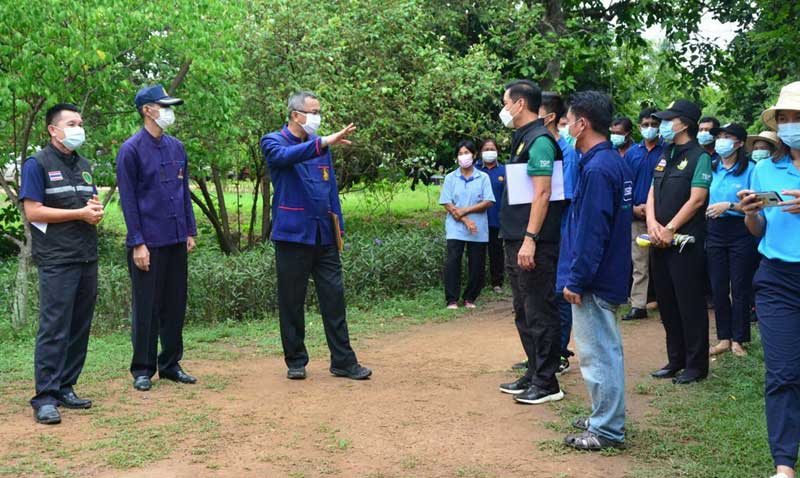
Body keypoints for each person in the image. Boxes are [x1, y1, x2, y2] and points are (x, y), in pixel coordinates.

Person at [261, 91, 372, 381]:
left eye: (319, 111)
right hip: (292, 236)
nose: (317, 117)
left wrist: (339, 229)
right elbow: (285, 157)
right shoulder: (273, 141)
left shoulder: (320, 146)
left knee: (334, 298)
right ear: (295, 115)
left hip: (323, 235)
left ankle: (343, 361)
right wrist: (322, 142)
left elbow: (330, 189)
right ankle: (296, 360)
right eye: (313, 112)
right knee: (292, 301)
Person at [20, 103, 103, 424]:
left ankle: (66, 386)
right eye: (71, 123)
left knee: (79, 326)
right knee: (54, 327)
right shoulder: (37, 164)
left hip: (86, 255)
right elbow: (34, 211)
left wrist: (93, 211)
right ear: (53, 130)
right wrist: (79, 213)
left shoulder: (84, 164)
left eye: (80, 123)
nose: (78, 128)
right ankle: (45, 397)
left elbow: (88, 203)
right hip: (57, 258)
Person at [561, 90, 633, 451]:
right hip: (610, 269)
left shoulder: (598, 168)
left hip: (598, 277)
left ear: (582, 124)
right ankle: (603, 416)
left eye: (568, 121)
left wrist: (577, 280)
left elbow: (592, 232)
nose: (566, 127)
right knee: (604, 349)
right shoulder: (610, 162)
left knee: (599, 353)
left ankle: (606, 429)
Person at [117, 85, 198, 392]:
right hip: (148, 242)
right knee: (147, 307)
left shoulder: (177, 147)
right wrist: (137, 242)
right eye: (164, 106)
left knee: (175, 304)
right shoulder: (131, 150)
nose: (169, 112)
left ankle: (171, 364)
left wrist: (189, 230)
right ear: (147, 110)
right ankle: (143, 368)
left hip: (176, 238)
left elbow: (183, 192)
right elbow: (128, 200)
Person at [738, 81, 800, 478]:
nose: (791, 124)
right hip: (777, 280)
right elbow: (759, 229)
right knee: (782, 372)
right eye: (785, 118)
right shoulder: (764, 169)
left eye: (798, 117)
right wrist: (749, 213)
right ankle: (784, 465)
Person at [496, 80, 567, 405]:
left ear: (520, 104)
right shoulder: (523, 138)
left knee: (539, 309)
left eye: (506, 103)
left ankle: (547, 381)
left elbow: (543, 192)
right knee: (523, 309)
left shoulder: (539, 141)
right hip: (515, 237)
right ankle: (534, 370)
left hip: (533, 241)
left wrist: (530, 239)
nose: (504, 109)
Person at [646, 99, 712, 385]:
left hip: (685, 243)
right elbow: (652, 191)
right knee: (667, 302)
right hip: (658, 240)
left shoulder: (700, 157)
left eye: (667, 120)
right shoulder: (666, 153)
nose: (661, 125)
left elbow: (697, 199)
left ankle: (696, 366)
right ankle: (676, 360)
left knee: (689, 303)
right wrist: (652, 223)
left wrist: (670, 228)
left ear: (684, 123)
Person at [705, 123, 758, 357]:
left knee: (739, 286)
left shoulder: (751, 170)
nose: (721, 141)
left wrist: (730, 206)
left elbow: (757, 204)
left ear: (739, 143)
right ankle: (723, 338)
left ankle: (739, 339)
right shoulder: (711, 167)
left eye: (727, 136)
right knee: (718, 286)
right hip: (714, 230)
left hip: (741, 230)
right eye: (719, 136)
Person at [541, 91, 579, 375]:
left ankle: (560, 353)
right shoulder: (539, 146)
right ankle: (543, 352)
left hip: (561, 229)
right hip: (543, 229)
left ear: (550, 116)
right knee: (543, 294)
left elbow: (562, 196)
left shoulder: (567, 152)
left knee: (559, 292)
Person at [440, 140, 495, 309]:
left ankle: (470, 297)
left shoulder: (483, 177)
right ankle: (452, 299)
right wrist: (465, 219)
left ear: (474, 155)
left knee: (477, 263)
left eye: (467, 153)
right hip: (455, 227)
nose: (463, 157)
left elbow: (488, 201)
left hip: (478, 228)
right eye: (460, 153)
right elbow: (447, 203)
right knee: (453, 261)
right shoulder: (450, 178)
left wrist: (465, 210)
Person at [623, 107, 665, 321]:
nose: (650, 128)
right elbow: (624, 184)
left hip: (662, 217)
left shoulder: (667, 151)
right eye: (646, 124)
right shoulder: (632, 153)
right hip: (637, 215)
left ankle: (666, 302)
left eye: (654, 125)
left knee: (663, 262)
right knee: (639, 263)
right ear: (639, 127)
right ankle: (638, 305)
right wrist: (631, 208)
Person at [476, 138, 506, 294]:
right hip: (478, 218)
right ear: (480, 152)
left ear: (497, 151)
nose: (489, 152)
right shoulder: (474, 170)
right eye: (486, 149)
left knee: (496, 252)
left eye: (492, 149)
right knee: (478, 252)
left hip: (497, 218)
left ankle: (497, 282)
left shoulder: (504, 171)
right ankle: (477, 282)